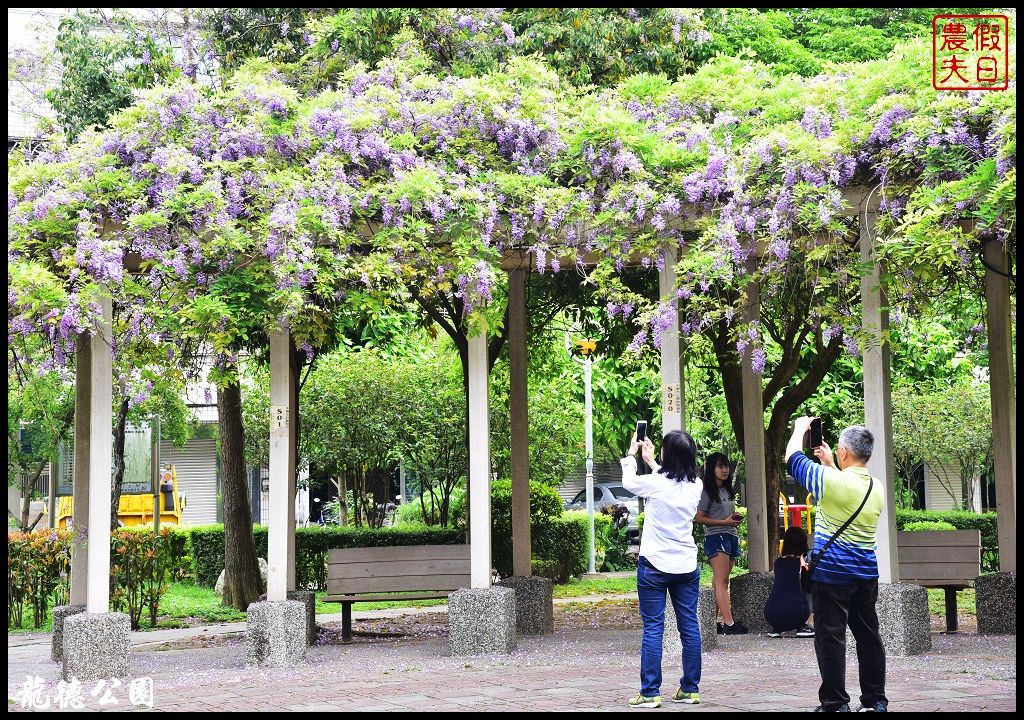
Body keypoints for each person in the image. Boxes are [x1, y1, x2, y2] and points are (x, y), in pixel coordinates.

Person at [785, 417, 888, 713]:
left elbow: (792, 459)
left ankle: (835, 703)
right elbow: (843, 494)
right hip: (866, 575)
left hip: (832, 575)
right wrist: (830, 463)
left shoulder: (834, 482)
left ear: (844, 451)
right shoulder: (876, 487)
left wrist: (799, 430)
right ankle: (875, 702)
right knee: (868, 637)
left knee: (831, 637)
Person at [621, 430, 704, 709]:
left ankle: (650, 693)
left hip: (654, 565)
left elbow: (630, 481)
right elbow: (673, 480)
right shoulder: (697, 485)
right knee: (689, 626)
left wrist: (634, 454)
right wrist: (653, 461)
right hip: (685, 565)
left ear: (667, 454)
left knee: (654, 627)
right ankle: (690, 689)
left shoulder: (655, 484)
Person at [694, 453, 748, 634]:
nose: (725, 470)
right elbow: (699, 518)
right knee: (722, 582)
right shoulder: (707, 491)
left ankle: (710, 623)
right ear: (712, 469)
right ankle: (729, 624)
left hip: (730, 535)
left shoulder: (727, 489)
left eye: (726, 466)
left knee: (719, 582)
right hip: (717, 537)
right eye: (720, 466)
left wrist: (731, 521)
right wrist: (723, 522)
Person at [764, 526, 815, 638]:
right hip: (797, 614)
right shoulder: (802, 564)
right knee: (809, 591)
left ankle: (776, 630)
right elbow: (809, 586)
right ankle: (801, 626)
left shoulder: (778, 563)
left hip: (770, 614)